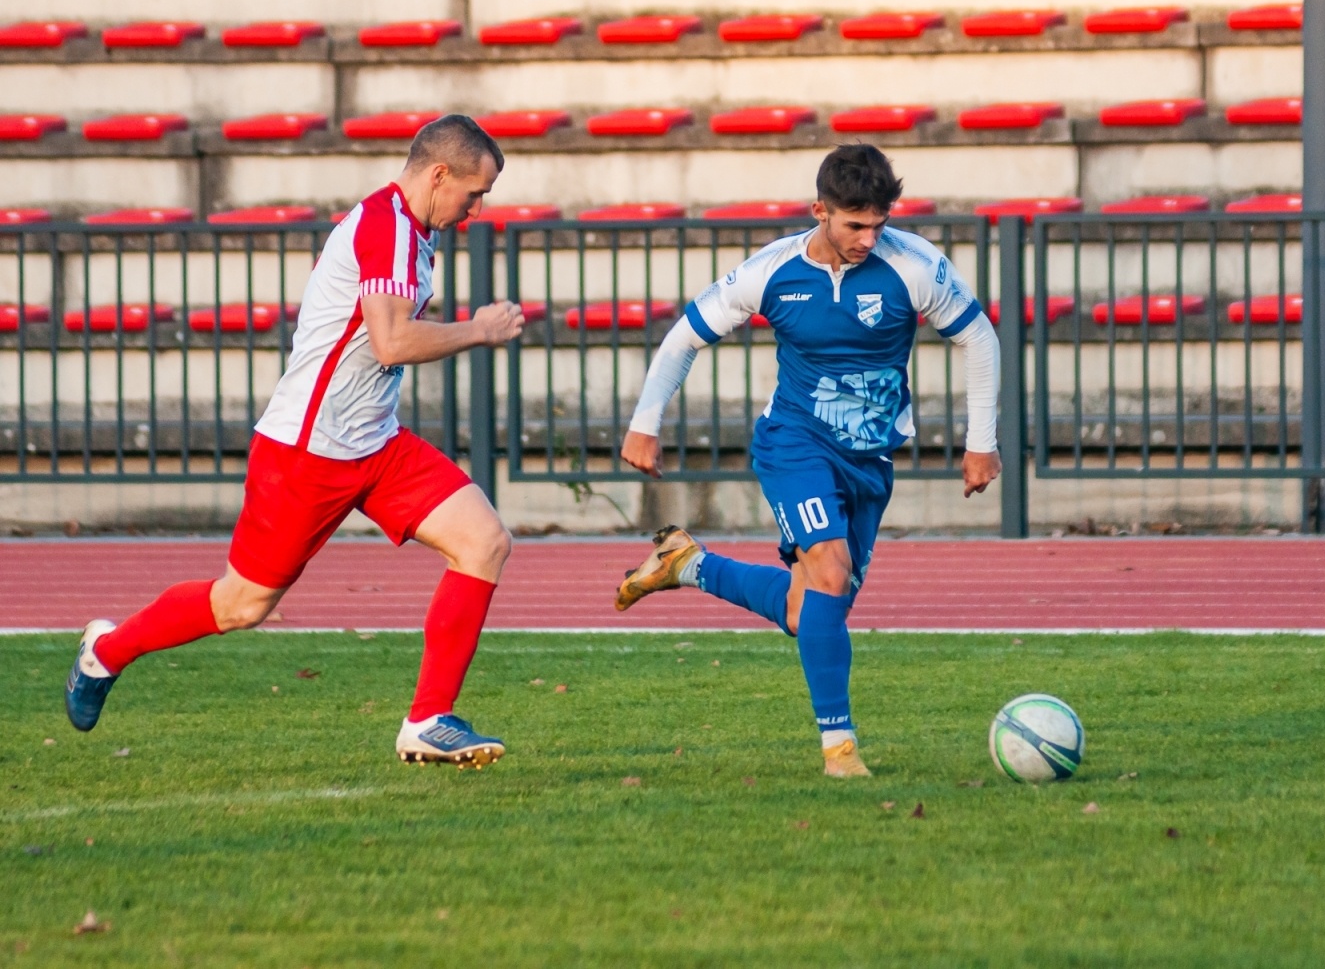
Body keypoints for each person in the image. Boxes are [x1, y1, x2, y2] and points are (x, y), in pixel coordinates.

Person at [64, 115, 527, 769]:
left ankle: (427, 720)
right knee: (241, 604)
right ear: (438, 174)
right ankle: (105, 651)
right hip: (307, 452)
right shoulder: (387, 228)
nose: (476, 210)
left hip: (374, 443)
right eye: (473, 194)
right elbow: (392, 340)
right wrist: (477, 330)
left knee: (484, 541)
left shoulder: (408, 230)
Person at [615, 144, 1002, 778]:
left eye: (879, 224)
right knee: (830, 569)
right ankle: (839, 750)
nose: (869, 238)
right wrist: (644, 424)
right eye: (855, 225)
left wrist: (979, 440)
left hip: (869, 460)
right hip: (794, 441)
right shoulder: (770, 272)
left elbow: (978, 335)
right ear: (819, 210)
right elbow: (687, 333)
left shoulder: (915, 266)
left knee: (808, 608)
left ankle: (687, 565)